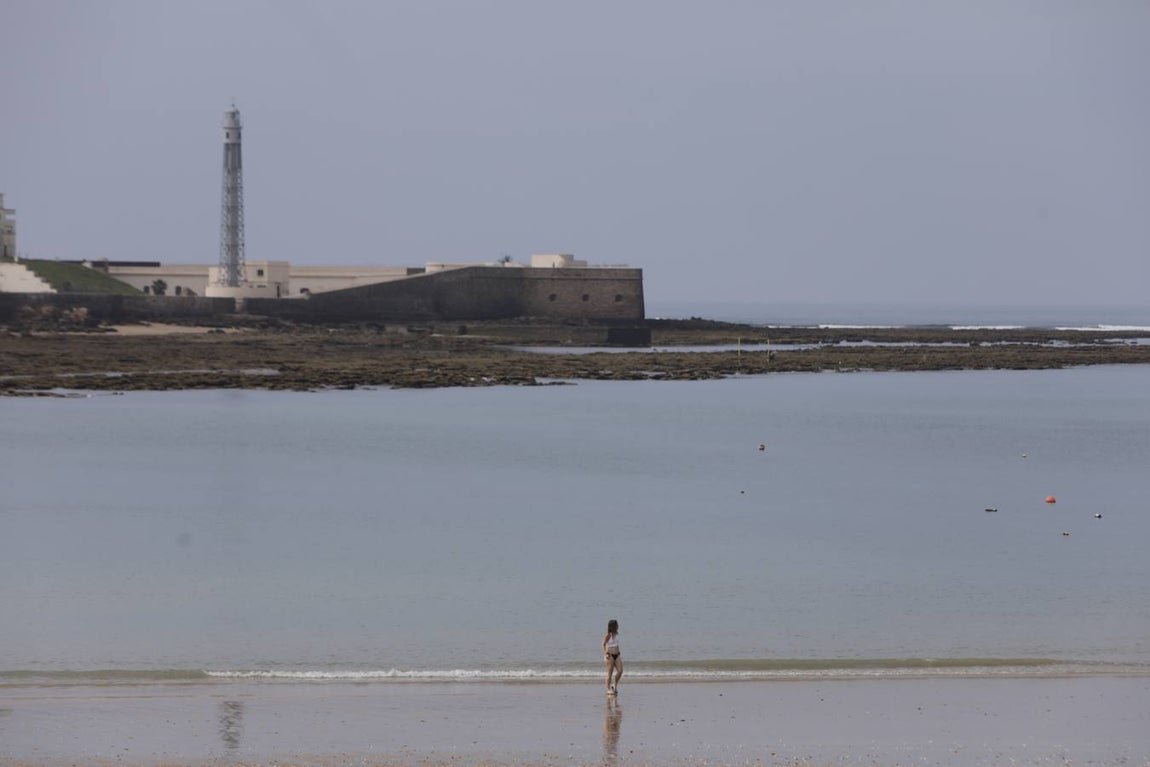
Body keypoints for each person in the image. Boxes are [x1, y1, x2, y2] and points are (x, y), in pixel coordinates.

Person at [602, 619, 622, 694]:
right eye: (617, 625)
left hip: (617, 655)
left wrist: (618, 652)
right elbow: (603, 644)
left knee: (620, 671)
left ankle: (614, 686)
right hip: (609, 656)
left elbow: (616, 644)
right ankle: (608, 689)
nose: (618, 626)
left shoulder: (616, 634)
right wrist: (606, 653)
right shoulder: (608, 635)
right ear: (613, 626)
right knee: (609, 673)